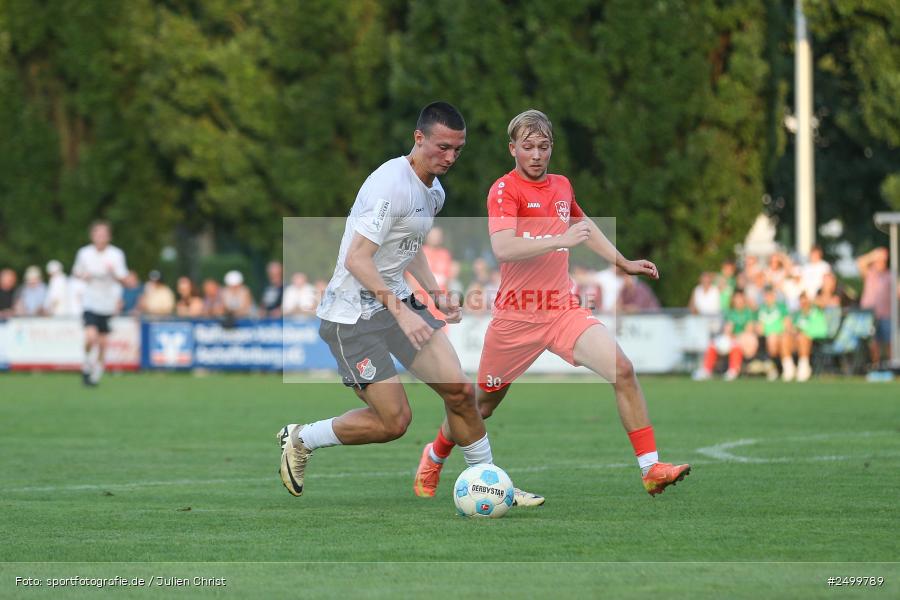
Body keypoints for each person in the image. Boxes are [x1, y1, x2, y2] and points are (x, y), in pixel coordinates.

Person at [413, 109, 690, 502]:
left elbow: (584, 226)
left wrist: (623, 262)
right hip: (516, 317)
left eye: (544, 147)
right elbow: (504, 247)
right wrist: (559, 238)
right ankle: (436, 453)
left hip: (563, 309)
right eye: (528, 147)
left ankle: (651, 469)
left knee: (623, 369)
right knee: (481, 405)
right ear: (513, 149)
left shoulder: (561, 186)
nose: (537, 155)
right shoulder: (504, 190)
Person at [276, 102, 493, 499]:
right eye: (442, 147)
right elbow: (356, 259)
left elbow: (407, 247)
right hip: (352, 316)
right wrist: (401, 312)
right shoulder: (388, 186)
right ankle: (303, 438)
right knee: (394, 422)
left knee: (460, 391)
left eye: (457, 150)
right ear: (418, 138)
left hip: (398, 300)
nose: (450, 157)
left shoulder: (434, 192)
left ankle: (490, 482)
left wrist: (435, 292)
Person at [72, 221, 128, 386]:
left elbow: (123, 278)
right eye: (98, 234)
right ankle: (86, 364)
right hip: (90, 302)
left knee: (103, 343)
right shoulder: (84, 253)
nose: (101, 237)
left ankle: (97, 371)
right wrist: (84, 276)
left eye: (104, 234)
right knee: (90, 337)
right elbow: (76, 272)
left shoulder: (116, 254)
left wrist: (113, 274)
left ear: (109, 236)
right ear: (92, 236)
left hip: (108, 303)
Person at [694, 289, 758, 381]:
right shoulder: (730, 313)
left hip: (745, 340)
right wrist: (730, 335)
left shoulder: (748, 312)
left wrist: (736, 336)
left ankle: (733, 370)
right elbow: (728, 329)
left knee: (736, 345)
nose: (738, 301)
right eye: (736, 298)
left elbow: (749, 330)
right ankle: (707, 370)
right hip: (733, 338)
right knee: (713, 345)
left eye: (740, 298)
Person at [857, 247, 891, 367]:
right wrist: (874, 255)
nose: (881, 262)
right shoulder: (869, 273)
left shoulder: (890, 275)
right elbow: (860, 262)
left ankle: (888, 365)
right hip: (869, 315)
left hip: (886, 314)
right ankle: (875, 366)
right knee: (873, 342)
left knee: (888, 342)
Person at [782, 292, 828, 382]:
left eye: (805, 300)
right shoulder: (798, 314)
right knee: (785, 337)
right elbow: (793, 328)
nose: (803, 303)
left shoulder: (816, 309)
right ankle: (789, 368)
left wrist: (810, 299)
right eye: (801, 300)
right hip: (798, 338)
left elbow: (823, 303)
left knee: (802, 336)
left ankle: (804, 367)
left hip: (816, 338)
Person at [755, 286, 789, 381]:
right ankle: (771, 368)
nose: (769, 297)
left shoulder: (781, 307)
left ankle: (783, 368)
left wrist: (780, 334)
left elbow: (787, 324)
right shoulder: (761, 309)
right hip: (766, 337)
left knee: (776, 339)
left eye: (771, 294)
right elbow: (759, 327)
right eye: (767, 295)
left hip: (780, 336)